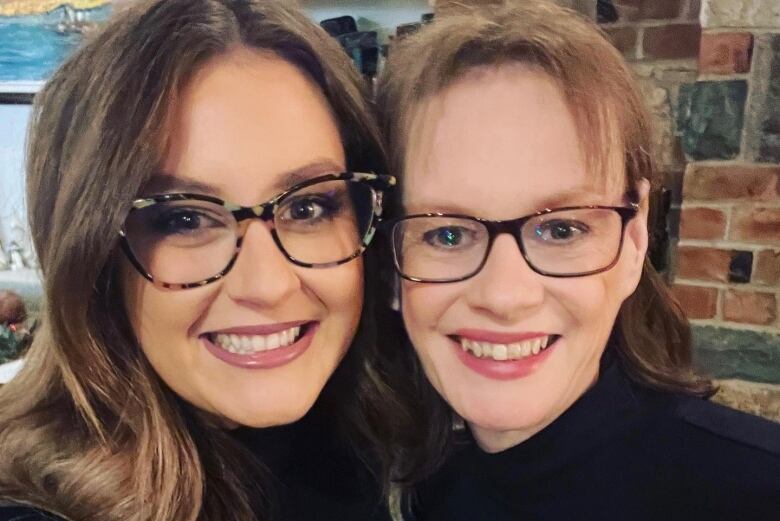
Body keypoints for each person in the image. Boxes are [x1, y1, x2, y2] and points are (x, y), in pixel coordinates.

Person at [375, 1, 780, 520]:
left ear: (635, 240)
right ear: (389, 264)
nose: (504, 296)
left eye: (561, 229)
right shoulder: (410, 494)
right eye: (448, 234)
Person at [0, 1, 400, 519]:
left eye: (308, 206)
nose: (268, 284)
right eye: (183, 219)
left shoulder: (384, 446)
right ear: (92, 259)